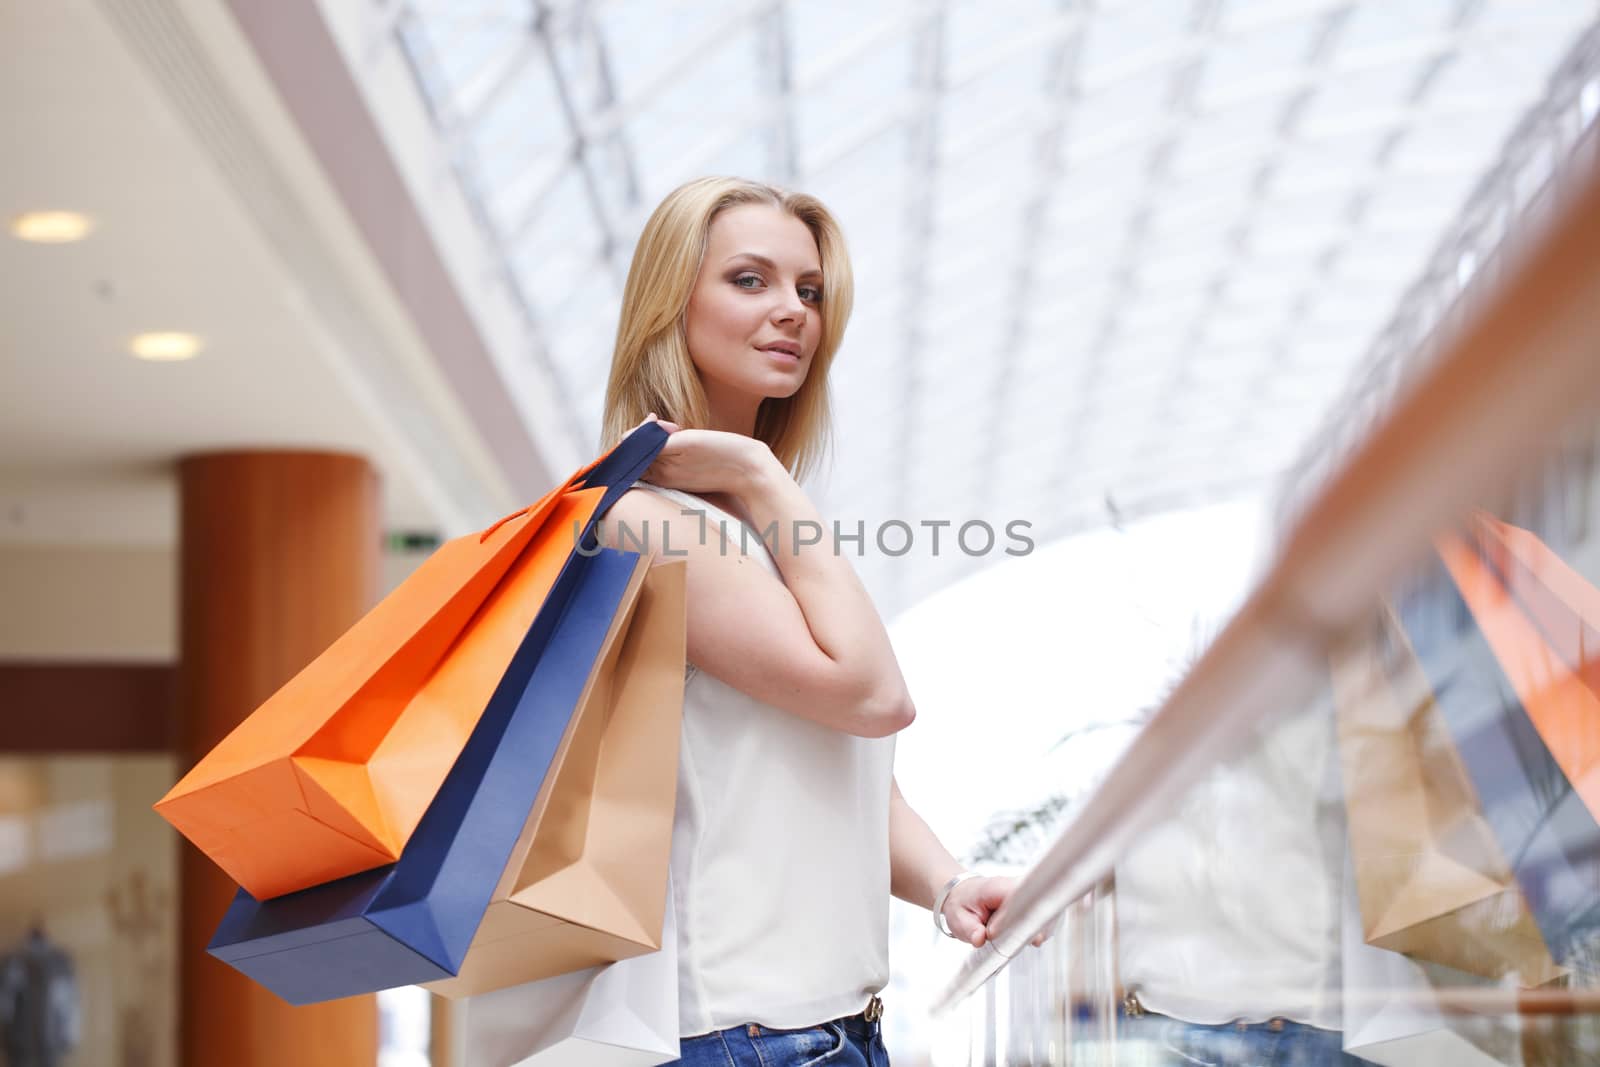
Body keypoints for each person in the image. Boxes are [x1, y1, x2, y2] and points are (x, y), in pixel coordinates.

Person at [597, 176, 1042, 1066]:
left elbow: (847, 769)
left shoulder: (757, 528)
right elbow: (874, 696)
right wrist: (763, 474)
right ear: (668, 301)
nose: (794, 312)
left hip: (827, 1028)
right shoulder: (647, 520)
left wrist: (948, 882)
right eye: (750, 280)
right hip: (744, 1034)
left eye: (809, 290)